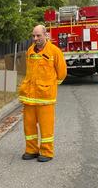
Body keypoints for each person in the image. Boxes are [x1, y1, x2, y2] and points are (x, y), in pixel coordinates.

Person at [19, 25, 67, 162]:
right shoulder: (30, 51)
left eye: (38, 35)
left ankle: (46, 152)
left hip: (45, 98)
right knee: (28, 126)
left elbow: (62, 73)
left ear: (46, 35)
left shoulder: (54, 51)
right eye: (33, 36)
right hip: (29, 97)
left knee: (46, 127)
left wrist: (50, 85)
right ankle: (31, 150)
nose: (35, 38)